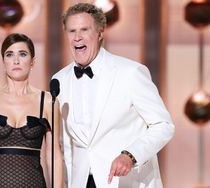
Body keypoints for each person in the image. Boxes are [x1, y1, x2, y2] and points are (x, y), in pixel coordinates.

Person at [53, 3, 175, 188]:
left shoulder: (130, 73)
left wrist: (131, 155)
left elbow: (163, 125)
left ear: (100, 32)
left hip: (124, 182)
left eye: (84, 30)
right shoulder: (59, 80)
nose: (77, 37)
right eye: (72, 31)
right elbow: (65, 143)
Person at [0, 33, 63, 188]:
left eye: (22, 54)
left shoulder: (47, 102)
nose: (16, 60)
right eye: (9, 54)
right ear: (3, 61)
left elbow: (54, 155)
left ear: (32, 61)